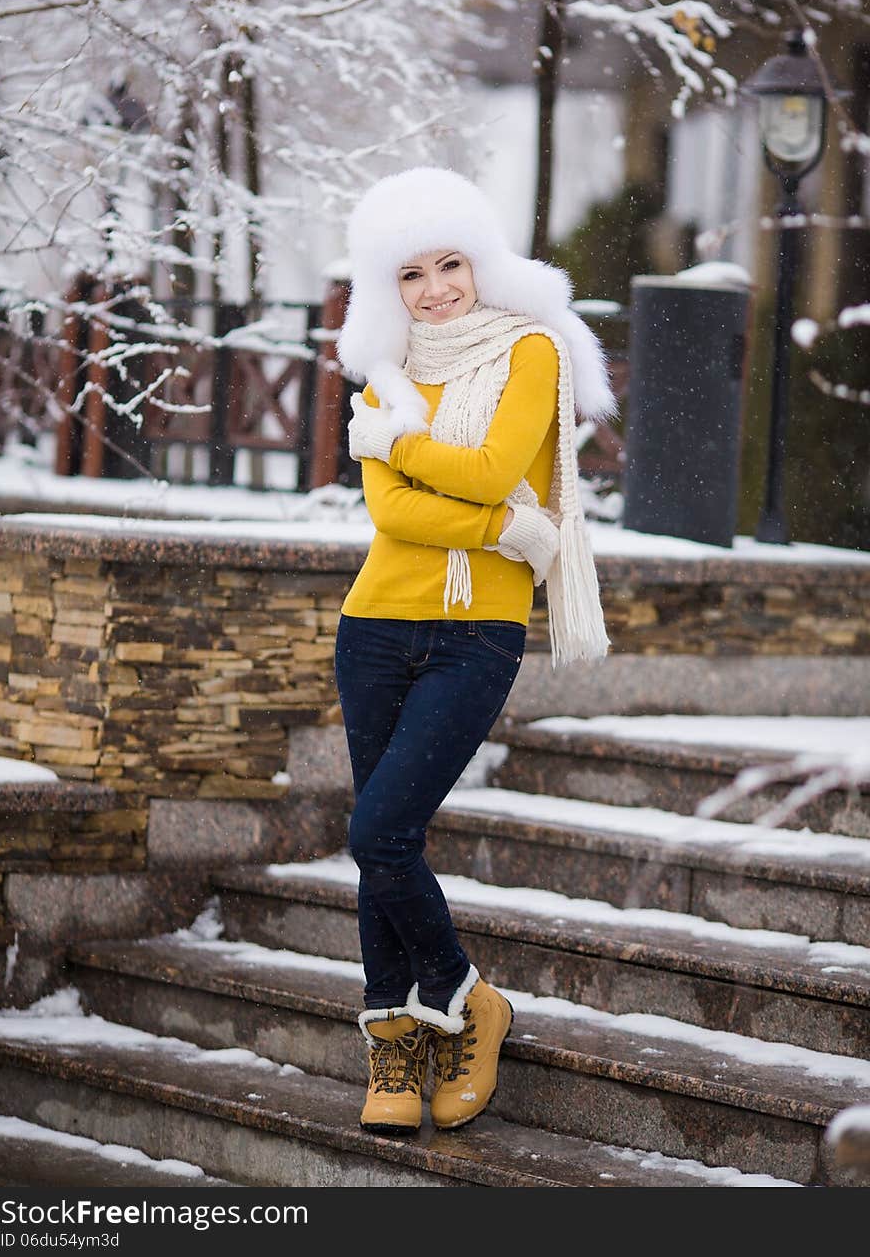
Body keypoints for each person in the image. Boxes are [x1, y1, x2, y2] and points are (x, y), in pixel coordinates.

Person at [334, 165, 614, 1135]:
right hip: (374, 627)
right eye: (412, 273)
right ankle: (395, 1046)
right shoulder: (388, 363)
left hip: (474, 637)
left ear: (481, 262)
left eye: (450, 263)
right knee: (385, 844)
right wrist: (503, 527)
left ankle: (462, 997)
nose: (435, 287)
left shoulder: (532, 349)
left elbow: (498, 466)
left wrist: (397, 442)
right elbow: (390, 512)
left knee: (378, 834)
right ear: (389, 285)